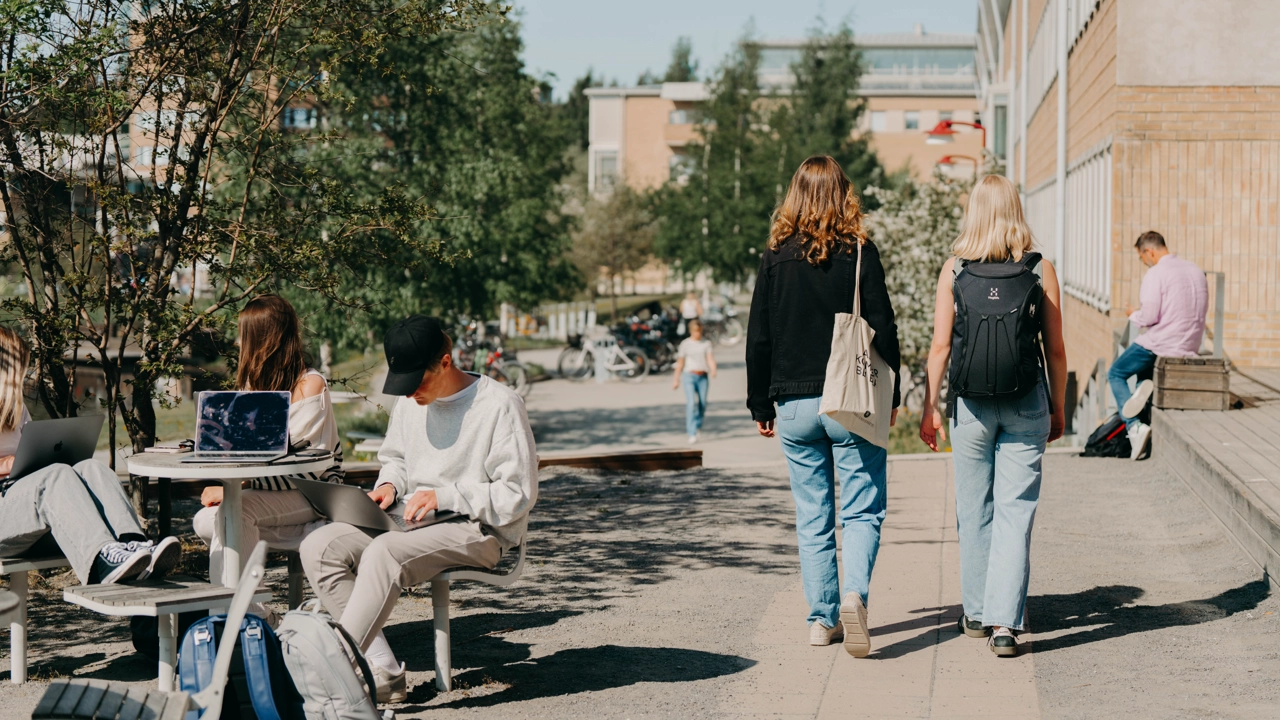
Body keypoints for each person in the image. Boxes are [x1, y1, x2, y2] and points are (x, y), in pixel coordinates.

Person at [299, 315, 537, 703]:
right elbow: (395, 458)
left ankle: (331, 675)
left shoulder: (499, 406)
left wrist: (444, 497)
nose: (409, 394)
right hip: (413, 517)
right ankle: (382, 670)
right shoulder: (410, 402)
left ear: (445, 362)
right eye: (402, 384)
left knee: (384, 552)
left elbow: (517, 495)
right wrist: (389, 486)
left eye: (417, 382)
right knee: (319, 546)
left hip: (479, 527)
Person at [746, 156, 901, 658]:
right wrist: (893, 395)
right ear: (843, 194)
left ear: (794, 195)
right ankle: (854, 594)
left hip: (793, 403)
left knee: (813, 515)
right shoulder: (860, 252)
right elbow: (884, 326)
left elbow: (759, 335)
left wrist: (760, 403)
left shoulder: (775, 256)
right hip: (849, 401)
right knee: (862, 509)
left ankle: (821, 619)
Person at [918, 174, 1067, 657]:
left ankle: (978, 612)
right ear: (1016, 211)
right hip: (1027, 401)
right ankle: (1005, 624)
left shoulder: (954, 270)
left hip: (970, 406)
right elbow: (1056, 349)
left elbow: (940, 347)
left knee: (973, 509)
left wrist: (929, 408)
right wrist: (1058, 407)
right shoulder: (1040, 269)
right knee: (1015, 511)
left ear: (974, 213)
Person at [193, 295, 343, 612]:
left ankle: (240, 618)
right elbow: (247, 453)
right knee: (205, 520)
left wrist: (236, 487)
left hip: (313, 492)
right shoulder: (254, 385)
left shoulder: (310, 385)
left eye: (243, 336)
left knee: (235, 513)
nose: (237, 344)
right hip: (273, 493)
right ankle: (254, 616)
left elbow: (301, 466)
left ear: (265, 340)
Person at [0, 327, 181, 585]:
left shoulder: (16, 409)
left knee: (91, 468)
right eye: (21, 366)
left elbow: (30, 454)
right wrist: (11, 463)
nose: (24, 373)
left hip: (31, 518)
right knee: (56, 475)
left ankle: (133, 546)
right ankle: (101, 563)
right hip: (6, 517)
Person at [1109, 231, 1207, 459]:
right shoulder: (1195, 271)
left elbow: (1149, 316)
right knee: (1143, 372)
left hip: (1162, 343)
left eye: (1142, 258)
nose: (1144, 262)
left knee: (1116, 373)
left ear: (1149, 251)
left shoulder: (1156, 273)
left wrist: (1133, 314)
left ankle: (1135, 427)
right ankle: (1143, 390)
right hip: (1190, 344)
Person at [671, 319, 717, 444]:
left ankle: (697, 425)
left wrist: (713, 369)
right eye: (695, 331)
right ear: (691, 331)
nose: (698, 334)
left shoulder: (706, 343)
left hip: (702, 376)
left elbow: (710, 358)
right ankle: (691, 432)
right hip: (689, 376)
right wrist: (676, 379)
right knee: (691, 404)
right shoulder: (685, 344)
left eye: (699, 331)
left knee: (702, 404)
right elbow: (680, 363)